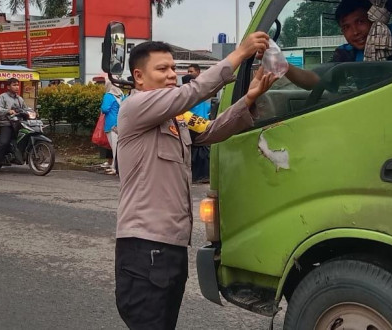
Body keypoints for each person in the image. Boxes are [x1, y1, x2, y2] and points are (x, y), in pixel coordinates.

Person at [114, 32, 276, 329]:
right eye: (162, 69)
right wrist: (239, 54)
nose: (171, 75)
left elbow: (213, 130)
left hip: (171, 246)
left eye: (173, 68)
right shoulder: (134, 108)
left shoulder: (175, 120)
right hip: (144, 246)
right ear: (138, 77)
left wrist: (249, 98)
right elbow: (190, 92)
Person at [284, 0, 392, 89]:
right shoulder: (346, 54)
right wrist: (281, 65)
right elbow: (313, 80)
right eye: (346, 27)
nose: (355, 32)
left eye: (360, 22)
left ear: (374, 18)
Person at [0, 78, 29, 177]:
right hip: (6, 124)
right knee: (4, 143)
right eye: (14, 85)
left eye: (17, 85)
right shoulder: (2, 97)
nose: (16, 87)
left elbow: (25, 108)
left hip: (18, 124)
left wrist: (31, 112)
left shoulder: (20, 99)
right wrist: (8, 111)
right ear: (8, 87)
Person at [100, 79, 124, 175]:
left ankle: (115, 168)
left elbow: (105, 109)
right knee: (118, 147)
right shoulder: (121, 95)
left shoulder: (108, 95)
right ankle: (115, 166)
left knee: (115, 148)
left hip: (111, 124)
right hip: (120, 123)